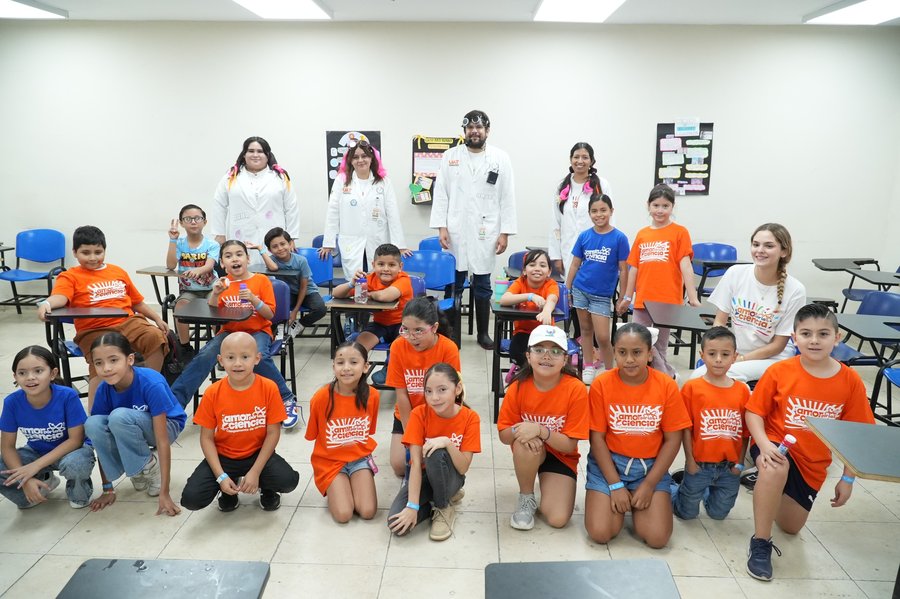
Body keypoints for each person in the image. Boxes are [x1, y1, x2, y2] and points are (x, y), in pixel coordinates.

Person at [744, 304, 875, 581]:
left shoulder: (850, 381)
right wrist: (764, 444)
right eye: (806, 333)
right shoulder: (780, 371)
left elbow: (860, 434)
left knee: (791, 527)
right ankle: (760, 542)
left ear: (837, 338)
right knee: (774, 467)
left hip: (812, 462)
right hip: (776, 444)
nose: (814, 340)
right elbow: (753, 412)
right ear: (795, 337)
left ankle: (769, 486)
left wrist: (848, 479)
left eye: (823, 334)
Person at [169, 240, 300, 429]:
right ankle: (173, 404)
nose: (235, 259)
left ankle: (286, 399)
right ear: (222, 263)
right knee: (204, 356)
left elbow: (270, 315)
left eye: (239, 254)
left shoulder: (261, 281)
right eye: (228, 256)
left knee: (260, 357)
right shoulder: (223, 283)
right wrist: (215, 294)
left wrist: (254, 300)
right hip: (229, 333)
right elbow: (214, 312)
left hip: (258, 331)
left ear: (247, 259)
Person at [584, 323, 691, 548]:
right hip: (610, 465)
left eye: (637, 352)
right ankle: (621, 495)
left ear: (650, 354)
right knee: (601, 532)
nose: (629, 359)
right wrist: (615, 485)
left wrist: (650, 484)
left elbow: (673, 439)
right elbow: (597, 439)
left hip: (649, 468)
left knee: (657, 539)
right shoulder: (601, 384)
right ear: (614, 352)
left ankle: (667, 490)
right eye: (622, 352)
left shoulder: (666, 385)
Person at [37, 225, 169, 406]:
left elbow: (137, 302)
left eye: (98, 252)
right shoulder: (70, 276)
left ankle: (146, 389)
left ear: (105, 251)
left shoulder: (118, 271)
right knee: (102, 356)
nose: (93, 258)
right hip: (93, 328)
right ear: (75, 252)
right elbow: (60, 297)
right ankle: (95, 414)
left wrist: (157, 319)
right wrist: (47, 303)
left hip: (128, 322)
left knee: (155, 337)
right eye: (86, 253)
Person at [181, 332, 300, 512]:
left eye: (245, 357)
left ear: (257, 359)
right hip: (224, 456)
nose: (238, 363)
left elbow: (273, 433)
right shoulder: (212, 393)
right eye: (230, 357)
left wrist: (256, 471)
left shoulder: (269, 388)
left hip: (257, 453)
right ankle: (228, 489)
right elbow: (206, 438)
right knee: (191, 500)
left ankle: (267, 488)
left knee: (288, 481)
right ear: (220, 360)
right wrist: (221, 477)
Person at [430, 109, 517, 349]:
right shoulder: (450, 156)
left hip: (486, 230)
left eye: (479, 127)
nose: (474, 131)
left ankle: (482, 333)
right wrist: (441, 227)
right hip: (456, 229)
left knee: (482, 283)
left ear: (487, 131)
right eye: (470, 128)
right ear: (465, 131)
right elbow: (441, 193)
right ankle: (449, 332)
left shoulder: (500, 158)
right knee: (454, 282)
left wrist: (505, 232)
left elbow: (507, 197)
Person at [497, 325, 589, 531]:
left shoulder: (576, 390)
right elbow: (504, 436)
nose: (546, 356)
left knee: (557, 519)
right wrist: (520, 430)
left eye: (555, 351)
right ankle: (526, 496)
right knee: (524, 444)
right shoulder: (518, 387)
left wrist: (540, 430)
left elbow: (569, 445)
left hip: (561, 455)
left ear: (565, 359)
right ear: (528, 356)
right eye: (539, 350)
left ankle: (546, 481)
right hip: (529, 450)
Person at [84, 333, 185, 517]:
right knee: (92, 423)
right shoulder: (104, 389)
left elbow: (162, 441)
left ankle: (149, 465)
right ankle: (138, 469)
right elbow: (99, 440)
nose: (106, 368)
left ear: (130, 359)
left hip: (168, 426)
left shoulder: (151, 382)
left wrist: (165, 493)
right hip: (131, 426)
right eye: (99, 363)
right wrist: (107, 489)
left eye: (113, 360)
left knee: (118, 416)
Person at [691, 223, 806, 383]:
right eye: (756, 244)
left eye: (769, 246)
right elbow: (719, 323)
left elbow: (778, 346)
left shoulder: (795, 290)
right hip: (736, 353)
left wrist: (741, 359)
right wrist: (721, 353)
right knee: (695, 378)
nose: (760, 250)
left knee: (720, 377)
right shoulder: (735, 273)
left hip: (773, 358)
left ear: (784, 251)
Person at [387, 363, 480, 541]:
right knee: (396, 524)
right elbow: (415, 464)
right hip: (424, 476)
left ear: (458, 389)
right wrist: (412, 506)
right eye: (428, 391)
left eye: (442, 390)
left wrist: (447, 443)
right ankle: (438, 499)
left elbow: (463, 468)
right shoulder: (418, 414)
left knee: (435, 452)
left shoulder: (470, 417)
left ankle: (443, 506)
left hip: (452, 476)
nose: (434, 397)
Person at [616, 184, 700, 378]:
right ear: (648, 205)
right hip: (642, 300)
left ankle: (663, 381)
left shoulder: (680, 232)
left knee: (659, 346)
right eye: (656, 205)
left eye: (665, 206)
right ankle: (666, 376)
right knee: (640, 341)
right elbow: (634, 269)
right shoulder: (642, 234)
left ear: (672, 207)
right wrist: (627, 297)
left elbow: (686, 266)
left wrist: (693, 297)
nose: (660, 210)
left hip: (666, 301)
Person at [0, 346, 95, 509]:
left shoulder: (67, 396)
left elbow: (76, 440)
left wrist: (34, 467)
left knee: (76, 465)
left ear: (52, 373)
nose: (30, 378)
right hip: (36, 451)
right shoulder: (12, 402)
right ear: (15, 376)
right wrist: (25, 479)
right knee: (3, 468)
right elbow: (7, 447)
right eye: (22, 373)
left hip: (72, 451)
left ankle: (78, 490)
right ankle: (43, 482)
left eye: (38, 371)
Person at [671, 327, 749, 520]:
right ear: (702, 355)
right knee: (686, 513)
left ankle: (704, 490)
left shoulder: (743, 391)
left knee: (718, 514)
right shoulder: (692, 388)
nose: (718, 359)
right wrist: (689, 460)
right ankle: (670, 486)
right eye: (712, 354)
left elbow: (745, 433)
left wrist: (740, 463)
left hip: (729, 468)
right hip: (700, 465)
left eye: (725, 354)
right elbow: (685, 429)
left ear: (734, 357)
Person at [385, 297, 460, 477]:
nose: (411, 337)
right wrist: (412, 435)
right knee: (400, 465)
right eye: (406, 330)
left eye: (418, 330)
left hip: (439, 414)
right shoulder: (398, 346)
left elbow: (451, 395)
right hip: (408, 414)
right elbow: (401, 394)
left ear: (434, 328)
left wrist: (431, 432)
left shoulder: (448, 348)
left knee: (435, 461)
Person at [305, 342, 380, 523]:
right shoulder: (321, 398)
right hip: (330, 461)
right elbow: (313, 434)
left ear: (366, 367)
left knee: (368, 511)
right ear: (333, 367)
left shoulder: (373, 395)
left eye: (353, 362)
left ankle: (348, 485)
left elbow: (368, 431)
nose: (346, 368)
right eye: (340, 363)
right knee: (343, 514)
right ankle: (336, 488)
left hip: (359, 459)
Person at [319, 140, 410, 280]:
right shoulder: (341, 181)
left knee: (378, 281)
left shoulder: (384, 182)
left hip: (377, 239)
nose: (360, 160)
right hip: (351, 242)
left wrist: (400, 245)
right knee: (356, 283)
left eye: (364, 156)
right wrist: (328, 243)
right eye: (355, 157)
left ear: (371, 158)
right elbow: (332, 213)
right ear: (350, 161)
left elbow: (393, 214)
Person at [565, 193, 629, 384]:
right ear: (589, 213)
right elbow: (575, 264)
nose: (598, 214)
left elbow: (623, 270)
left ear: (611, 211)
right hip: (580, 290)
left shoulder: (619, 238)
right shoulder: (584, 236)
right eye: (594, 211)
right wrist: (567, 289)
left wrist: (623, 296)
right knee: (585, 331)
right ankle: (589, 366)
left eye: (603, 210)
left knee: (603, 337)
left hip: (602, 296)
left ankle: (611, 372)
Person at [210, 136, 298, 266]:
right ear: (244, 154)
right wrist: (219, 234)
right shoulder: (231, 177)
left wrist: (291, 237)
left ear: (267, 155)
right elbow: (219, 205)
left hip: (273, 234)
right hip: (241, 232)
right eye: (251, 151)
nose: (255, 155)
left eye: (260, 151)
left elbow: (291, 207)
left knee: (274, 270)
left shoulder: (280, 177)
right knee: (242, 268)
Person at [330, 243, 414, 354]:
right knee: (358, 350)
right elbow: (336, 293)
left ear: (400, 267)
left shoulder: (403, 279)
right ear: (373, 265)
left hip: (403, 325)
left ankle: (389, 364)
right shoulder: (370, 279)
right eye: (381, 264)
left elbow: (385, 296)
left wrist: (369, 294)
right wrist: (351, 283)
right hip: (379, 325)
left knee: (400, 349)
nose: (386, 269)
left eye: (391, 265)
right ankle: (362, 363)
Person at [549, 142, 612, 279]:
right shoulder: (561, 186)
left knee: (593, 284)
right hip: (568, 250)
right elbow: (556, 222)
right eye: (576, 157)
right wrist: (556, 256)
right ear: (570, 159)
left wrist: (608, 249)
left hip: (596, 249)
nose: (580, 161)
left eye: (585, 157)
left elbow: (609, 218)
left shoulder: (602, 185)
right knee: (570, 286)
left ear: (592, 161)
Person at [498, 249, 559, 382]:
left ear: (549, 272)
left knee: (546, 355)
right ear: (525, 270)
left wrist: (547, 311)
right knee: (516, 351)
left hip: (545, 332)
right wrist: (530, 296)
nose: (537, 268)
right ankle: (527, 374)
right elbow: (504, 299)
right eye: (532, 265)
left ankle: (531, 375)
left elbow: (552, 299)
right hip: (523, 332)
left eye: (542, 265)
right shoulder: (520, 282)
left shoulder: (551, 284)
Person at [254, 226, 326, 337]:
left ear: (290, 243)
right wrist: (260, 249)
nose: (280, 248)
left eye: (283, 244)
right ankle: (278, 329)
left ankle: (298, 325)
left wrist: (295, 311)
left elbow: (304, 287)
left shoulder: (301, 261)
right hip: (289, 293)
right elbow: (273, 268)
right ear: (269, 250)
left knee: (321, 309)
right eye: (275, 246)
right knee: (274, 307)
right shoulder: (272, 260)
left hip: (307, 292)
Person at [166, 204, 220, 353]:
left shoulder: (212, 244)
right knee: (180, 306)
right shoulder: (179, 244)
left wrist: (198, 270)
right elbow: (170, 265)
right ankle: (185, 347)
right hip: (189, 291)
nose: (193, 222)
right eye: (188, 219)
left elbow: (209, 265)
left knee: (215, 306)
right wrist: (172, 240)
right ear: (182, 223)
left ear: (205, 222)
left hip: (211, 289)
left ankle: (220, 345)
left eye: (197, 218)